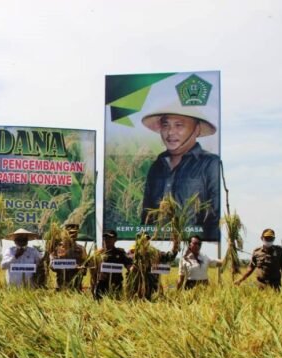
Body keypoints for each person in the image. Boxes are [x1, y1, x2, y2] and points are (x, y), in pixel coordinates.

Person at [139, 104, 220, 240]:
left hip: (192, 244)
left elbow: (216, 216)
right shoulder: (156, 167)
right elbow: (146, 214)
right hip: (156, 244)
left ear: (196, 129)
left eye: (179, 125)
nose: (170, 132)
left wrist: (202, 245)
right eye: (166, 125)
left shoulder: (210, 164)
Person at [128, 229, 179, 300]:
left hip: (153, 289)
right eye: (141, 239)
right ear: (137, 240)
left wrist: (175, 245)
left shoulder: (155, 253)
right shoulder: (132, 253)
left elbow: (169, 257)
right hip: (136, 290)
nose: (144, 241)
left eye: (146, 239)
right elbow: (129, 262)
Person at [93, 229, 132, 300]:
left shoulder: (120, 253)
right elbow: (92, 269)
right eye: (105, 237)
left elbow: (129, 266)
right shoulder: (98, 254)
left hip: (115, 285)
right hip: (101, 285)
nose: (107, 239)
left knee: (116, 303)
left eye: (110, 238)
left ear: (115, 239)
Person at [50, 223, 87, 291]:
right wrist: (71, 265)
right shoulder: (58, 248)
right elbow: (52, 266)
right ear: (65, 234)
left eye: (75, 233)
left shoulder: (81, 249)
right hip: (61, 286)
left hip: (76, 287)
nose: (73, 235)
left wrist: (82, 269)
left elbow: (85, 267)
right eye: (70, 233)